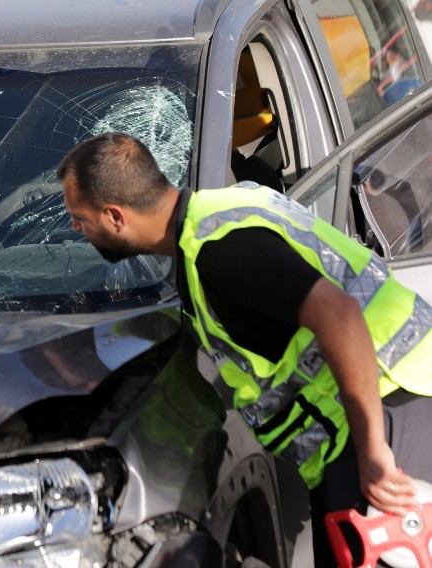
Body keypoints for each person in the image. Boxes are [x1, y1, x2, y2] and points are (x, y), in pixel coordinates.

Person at [56, 131, 432, 565]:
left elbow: (340, 317)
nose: (75, 229)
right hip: (377, 411)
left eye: (79, 218)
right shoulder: (225, 212)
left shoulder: (220, 251)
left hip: (386, 414)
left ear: (115, 217)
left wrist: (373, 450)